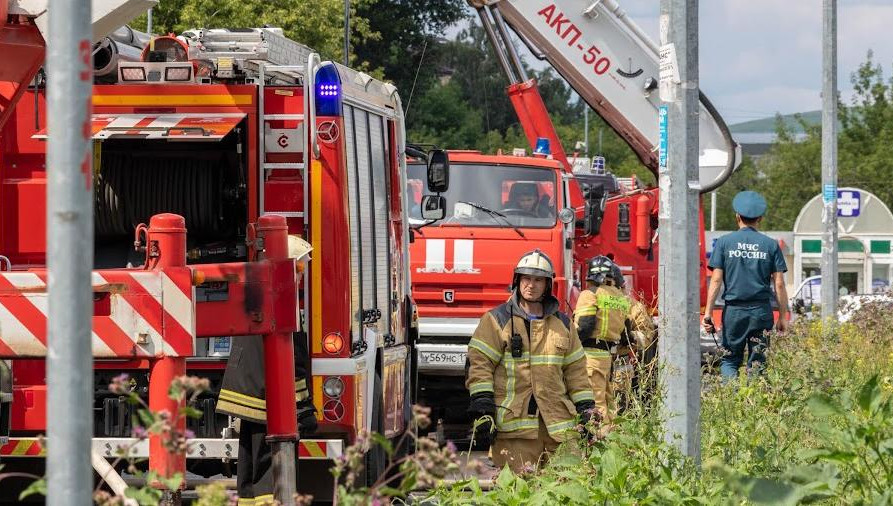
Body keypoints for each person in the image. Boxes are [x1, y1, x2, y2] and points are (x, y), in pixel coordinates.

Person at [466, 250, 595, 473]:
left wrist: (586, 409)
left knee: (566, 491)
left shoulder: (562, 324)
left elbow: (576, 371)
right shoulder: (497, 320)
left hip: (559, 428)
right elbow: (480, 363)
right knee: (518, 493)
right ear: (517, 280)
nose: (531, 285)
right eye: (526, 278)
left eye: (538, 280)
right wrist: (482, 404)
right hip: (515, 431)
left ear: (548, 285)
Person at [216, 235, 318, 505]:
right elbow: (293, 360)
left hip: (249, 391)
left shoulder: (258, 292)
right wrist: (305, 407)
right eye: (300, 267)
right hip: (265, 397)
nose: (303, 274)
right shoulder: (282, 300)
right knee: (267, 460)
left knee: (250, 457)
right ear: (289, 266)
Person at [703, 190, 789, 380]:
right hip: (761, 311)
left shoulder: (725, 243)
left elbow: (716, 280)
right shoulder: (770, 245)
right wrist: (782, 316)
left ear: (737, 216)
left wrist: (708, 313)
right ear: (760, 218)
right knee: (758, 362)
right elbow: (779, 284)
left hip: (734, 312)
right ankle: (754, 405)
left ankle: (732, 404)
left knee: (730, 359)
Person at [573, 256, 632, 425]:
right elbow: (626, 334)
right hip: (607, 357)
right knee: (608, 401)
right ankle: (614, 440)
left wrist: (569, 344)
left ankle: (600, 442)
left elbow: (585, 326)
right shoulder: (620, 298)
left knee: (595, 403)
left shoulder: (590, 294)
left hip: (590, 357)